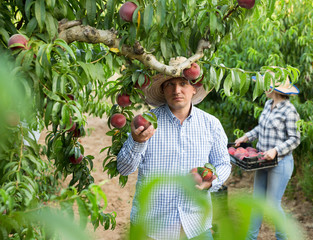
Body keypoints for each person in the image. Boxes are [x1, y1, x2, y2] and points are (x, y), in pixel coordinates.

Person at [117, 57, 231, 240]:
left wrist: (210, 181)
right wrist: (137, 141)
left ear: (194, 88)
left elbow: (223, 163)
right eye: (169, 84)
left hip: (196, 226)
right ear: (163, 90)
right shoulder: (147, 123)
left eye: (183, 83)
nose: (176, 90)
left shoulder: (211, 124)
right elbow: (123, 168)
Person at [235, 73, 301, 240]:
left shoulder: (289, 110)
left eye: (265, 84)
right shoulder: (267, 104)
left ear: (273, 88)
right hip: (261, 160)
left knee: (272, 204)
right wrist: (246, 137)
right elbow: (260, 128)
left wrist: (276, 150)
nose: (262, 87)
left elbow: (295, 138)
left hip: (280, 162)